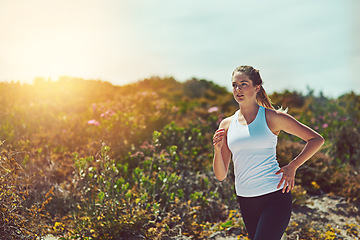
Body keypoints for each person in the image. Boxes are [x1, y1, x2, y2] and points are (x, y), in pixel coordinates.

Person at [212, 65, 324, 240]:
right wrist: (217, 151)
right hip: (246, 199)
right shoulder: (226, 125)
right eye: (234, 85)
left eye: (243, 84)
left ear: (257, 88)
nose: (238, 89)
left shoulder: (272, 117)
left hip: (274, 196)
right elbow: (220, 175)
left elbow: (316, 140)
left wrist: (293, 166)